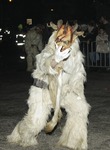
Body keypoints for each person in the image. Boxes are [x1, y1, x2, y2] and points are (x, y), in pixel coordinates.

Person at [7, 21, 91, 150]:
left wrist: (78, 94)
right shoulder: (48, 50)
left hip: (65, 91)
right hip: (44, 90)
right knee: (36, 122)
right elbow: (42, 63)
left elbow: (78, 76)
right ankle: (21, 134)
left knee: (80, 108)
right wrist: (55, 60)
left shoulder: (76, 56)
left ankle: (73, 140)